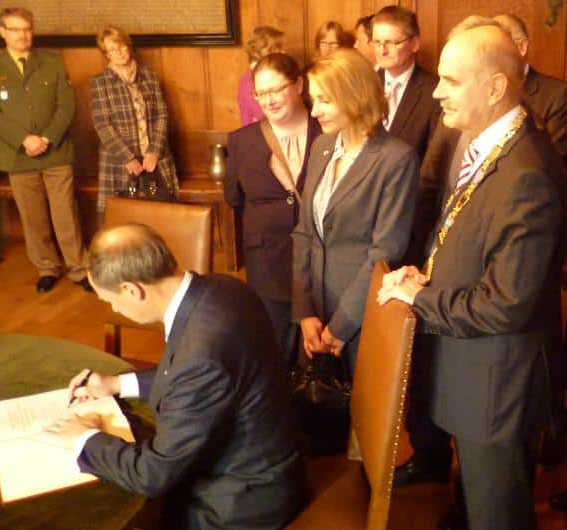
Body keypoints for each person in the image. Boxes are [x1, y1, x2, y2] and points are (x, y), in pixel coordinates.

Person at [378, 23, 566, 530]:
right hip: (473, 367)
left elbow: (506, 303)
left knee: (497, 514)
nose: (436, 91)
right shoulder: (480, 140)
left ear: (495, 87)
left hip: (498, 384)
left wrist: (420, 296)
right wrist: (430, 273)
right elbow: (464, 229)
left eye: (450, 80)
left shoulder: (528, 173)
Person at [44, 223, 304, 529]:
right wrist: (115, 384)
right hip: (269, 456)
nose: (114, 308)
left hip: (239, 499)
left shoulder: (201, 353)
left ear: (132, 289)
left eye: (111, 300)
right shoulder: (224, 288)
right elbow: (193, 378)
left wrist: (84, 437)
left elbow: (151, 474)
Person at [292, 48, 418, 380]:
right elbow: (305, 232)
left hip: (359, 316)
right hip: (315, 315)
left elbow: (385, 251)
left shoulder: (396, 159)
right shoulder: (321, 146)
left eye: (324, 100)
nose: (314, 110)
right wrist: (304, 312)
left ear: (354, 96)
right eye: (313, 100)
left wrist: (341, 325)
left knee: (361, 421)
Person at [0, 7, 90, 293]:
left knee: (66, 214)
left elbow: (66, 107)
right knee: (33, 217)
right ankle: (47, 267)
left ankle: (79, 268)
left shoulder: (51, 61)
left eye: (27, 29)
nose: (22, 35)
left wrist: (47, 138)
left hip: (56, 152)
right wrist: (25, 139)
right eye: (15, 29)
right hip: (18, 156)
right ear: (2, 32)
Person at [225, 53, 321, 370]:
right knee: (274, 350)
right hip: (268, 262)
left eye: (275, 90)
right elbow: (234, 197)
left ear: (299, 85)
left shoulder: (328, 131)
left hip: (322, 260)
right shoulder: (242, 142)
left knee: (319, 354)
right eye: (260, 93)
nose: (268, 100)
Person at [90, 25, 178, 216]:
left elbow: (161, 116)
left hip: (153, 160)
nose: (119, 53)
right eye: (112, 50)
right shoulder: (100, 82)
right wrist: (127, 158)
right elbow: (102, 124)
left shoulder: (149, 77)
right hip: (120, 162)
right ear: (106, 54)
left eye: (121, 47)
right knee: (121, 219)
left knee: (162, 215)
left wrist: (154, 151)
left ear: (129, 46)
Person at [494, 13, 567, 165]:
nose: (489, 54)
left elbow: (551, 165)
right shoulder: (482, 90)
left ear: (521, 46)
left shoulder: (557, 96)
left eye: (496, 46)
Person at [371, 5, 440, 162]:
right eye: (377, 42)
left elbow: (434, 162)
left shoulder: (434, 92)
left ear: (415, 43)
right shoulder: (364, 84)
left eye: (391, 43)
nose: (382, 51)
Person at [237, 26, 284, 126]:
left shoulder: (253, 76)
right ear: (263, 52)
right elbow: (267, 115)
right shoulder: (252, 80)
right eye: (278, 48)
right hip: (259, 135)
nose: (283, 52)